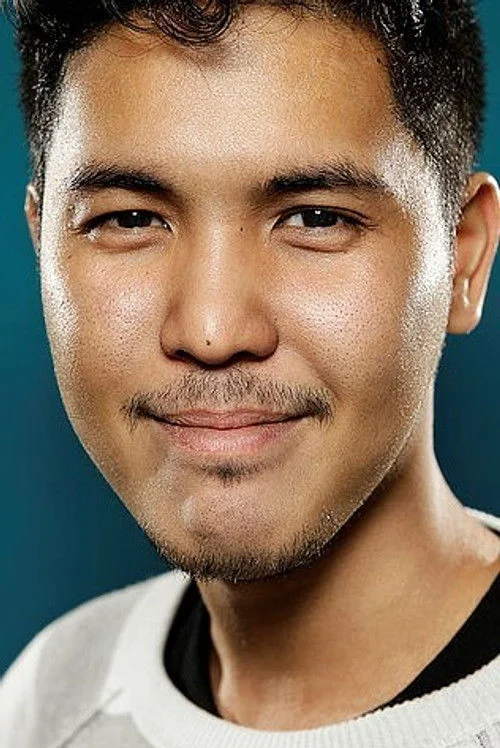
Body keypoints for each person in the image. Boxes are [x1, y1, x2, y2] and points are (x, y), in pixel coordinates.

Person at [0, 0, 499, 745]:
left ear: (462, 257)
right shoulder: (46, 706)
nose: (212, 331)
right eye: (130, 219)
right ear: (43, 249)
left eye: (316, 218)